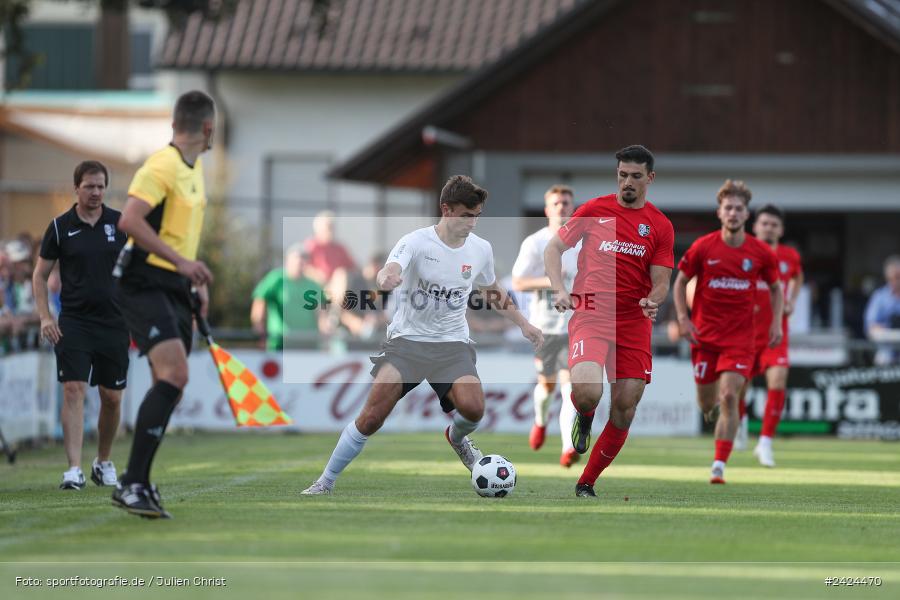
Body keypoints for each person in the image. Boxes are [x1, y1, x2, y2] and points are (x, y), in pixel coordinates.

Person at [301, 175, 543, 495]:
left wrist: (523, 324)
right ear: (446, 209)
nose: (472, 223)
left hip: (452, 346)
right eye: (465, 215)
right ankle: (325, 482)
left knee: (474, 410)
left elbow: (493, 291)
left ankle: (457, 439)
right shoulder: (416, 241)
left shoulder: (480, 249)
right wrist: (387, 277)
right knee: (372, 417)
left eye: (477, 216)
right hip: (407, 345)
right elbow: (391, 267)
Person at [544, 145, 675, 497]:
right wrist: (558, 288)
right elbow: (553, 249)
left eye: (635, 176)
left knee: (624, 407)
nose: (626, 182)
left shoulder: (660, 225)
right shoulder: (594, 209)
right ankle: (584, 418)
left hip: (634, 321)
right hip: (591, 313)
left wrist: (655, 299)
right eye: (621, 175)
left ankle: (586, 482)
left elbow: (662, 279)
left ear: (650, 178)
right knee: (587, 394)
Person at [110, 90, 216, 519]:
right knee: (175, 373)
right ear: (208, 129)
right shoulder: (161, 165)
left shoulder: (195, 167)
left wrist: (194, 281)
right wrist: (182, 263)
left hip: (173, 285)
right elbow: (129, 221)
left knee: (170, 383)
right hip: (141, 281)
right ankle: (132, 483)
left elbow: (179, 233)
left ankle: (138, 481)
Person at [673, 180, 783, 485]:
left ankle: (719, 464)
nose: (733, 213)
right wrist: (683, 318)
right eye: (728, 208)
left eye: (739, 208)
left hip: (740, 341)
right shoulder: (703, 247)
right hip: (705, 339)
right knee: (707, 403)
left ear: (746, 214)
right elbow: (680, 281)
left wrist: (774, 324)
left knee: (729, 395)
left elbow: (775, 288)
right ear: (719, 213)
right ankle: (712, 415)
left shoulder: (759, 252)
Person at [32, 161, 130, 490]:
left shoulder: (121, 224)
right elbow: (40, 275)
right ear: (76, 188)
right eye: (89, 186)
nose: (96, 192)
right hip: (74, 321)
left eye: (101, 186)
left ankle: (103, 461)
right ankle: (73, 469)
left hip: (114, 322)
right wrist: (46, 316)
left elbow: (139, 271)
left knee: (112, 397)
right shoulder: (60, 227)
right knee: (73, 390)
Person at [511, 184, 581, 467]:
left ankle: (567, 447)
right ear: (547, 210)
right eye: (557, 203)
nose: (562, 207)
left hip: (576, 326)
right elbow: (518, 282)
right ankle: (540, 421)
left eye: (566, 202)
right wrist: (552, 280)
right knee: (547, 386)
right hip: (545, 327)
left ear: (573, 208)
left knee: (569, 387)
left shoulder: (584, 243)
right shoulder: (535, 243)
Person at [742, 204, 803, 467]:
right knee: (736, 389)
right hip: (743, 333)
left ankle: (765, 442)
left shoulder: (790, 256)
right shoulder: (742, 252)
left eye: (774, 224)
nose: (768, 228)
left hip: (775, 333)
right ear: (755, 226)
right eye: (764, 223)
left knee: (778, 380)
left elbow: (798, 277)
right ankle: (739, 423)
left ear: (781, 229)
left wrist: (791, 300)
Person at [251, 244, 325, 350]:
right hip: (280, 342)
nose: (300, 264)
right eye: (297, 260)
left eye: (303, 260)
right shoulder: (276, 279)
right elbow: (260, 300)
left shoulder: (312, 284)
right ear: (288, 261)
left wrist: (324, 333)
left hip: (307, 343)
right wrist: (259, 329)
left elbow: (320, 312)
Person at [303, 210, 356, 285]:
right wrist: (317, 275)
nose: (331, 230)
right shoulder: (310, 246)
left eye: (332, 227)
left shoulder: (339, 248)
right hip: (315, 285)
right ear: (318, 229)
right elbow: (304, 267)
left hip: (335, 285)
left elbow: (353, 267)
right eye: (328, 227)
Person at [864, 255, 900, 365]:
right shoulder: (879, 297)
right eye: (893, 277)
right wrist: (888, 331)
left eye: (899, 276)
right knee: (882, 359)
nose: (896, 281)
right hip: (886, 350)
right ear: (887, 278)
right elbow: (870, 327)